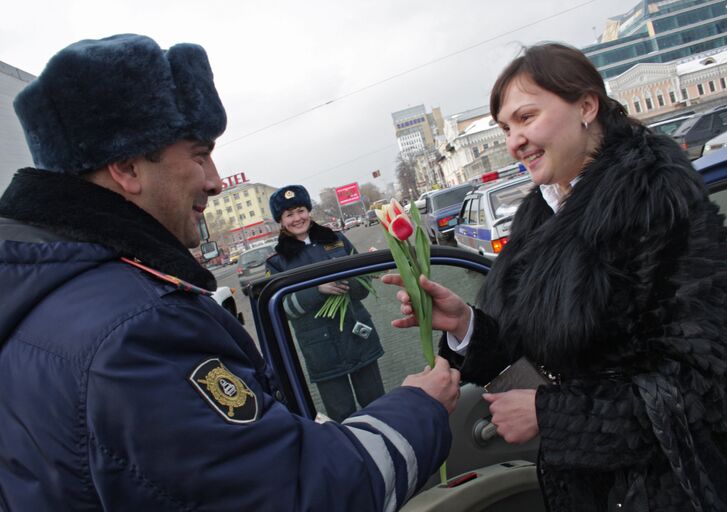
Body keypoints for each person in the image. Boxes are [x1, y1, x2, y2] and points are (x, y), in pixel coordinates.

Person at [0, 34, 460, 511]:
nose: (216, 181)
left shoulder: (42, 292)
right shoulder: (136, 328)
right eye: (200, 155)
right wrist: (419, 408)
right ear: (126, 168)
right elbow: (296, 494)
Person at [384, 42, 727, 511]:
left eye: (526, 118)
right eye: (506, 128)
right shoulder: (543, 211)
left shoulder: (659, 202)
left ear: (587, 106)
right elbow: (538, 349)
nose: (513, 141)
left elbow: (702, 387)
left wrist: (550, 416)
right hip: (577, 485)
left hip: (662, 490)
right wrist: (465, 323)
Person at [264, 185, 385, 421]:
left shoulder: (337, 240)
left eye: (300, 210)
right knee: (342, 417)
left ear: (308, 211)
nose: (297, 218)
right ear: (280, 221)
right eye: (289, 215)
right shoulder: (277, 261)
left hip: (358, 336)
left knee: (378, 406)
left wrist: (348, 283)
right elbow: (282, 309)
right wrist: (318, 290)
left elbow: (363, 286)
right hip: (322, 351)